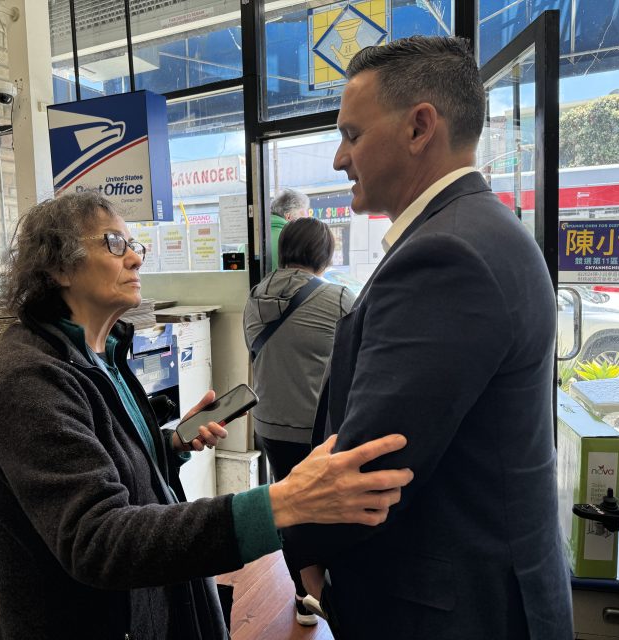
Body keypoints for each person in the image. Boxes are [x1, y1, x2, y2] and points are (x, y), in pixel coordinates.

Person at [0, 191, 414, 640]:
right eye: (114, 244)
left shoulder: (99, 353)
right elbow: (97, 539)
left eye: (135, 245)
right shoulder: (28, 380)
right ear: (58, 267)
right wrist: (281, 503)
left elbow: (100, 463)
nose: (136, 260)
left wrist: (171, 444)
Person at [287, 36, 574, 639]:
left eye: (352, 134)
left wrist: (301, 547)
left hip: (451, 611)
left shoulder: (447, 255)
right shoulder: (478, 230)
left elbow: (375, 464)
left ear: (420, 127)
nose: (340, 159)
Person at [243, 217, 354, 626]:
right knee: (328, 513)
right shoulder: (340, 299)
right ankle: (332, 596)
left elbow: (257, 355)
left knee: (289, 508)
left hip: (270, 423)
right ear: (324, 255)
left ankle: (301, 595)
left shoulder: (255, 296)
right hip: (318, 432)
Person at [269, 188, 311, 269]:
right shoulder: (293, 239)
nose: (306, 219)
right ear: (288, 216)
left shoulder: (254, 236)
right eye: (302, 215)